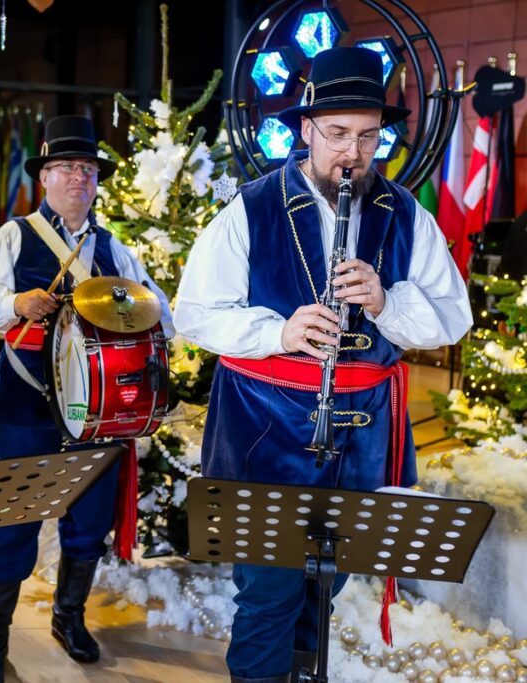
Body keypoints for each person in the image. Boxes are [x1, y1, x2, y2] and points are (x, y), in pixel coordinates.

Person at [174, 47, 472, 683]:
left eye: (368, 137)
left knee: (324, 589)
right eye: (337, 135)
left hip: (359, 431)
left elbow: (452, 318)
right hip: (264, 430)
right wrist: (279, 331)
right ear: (306, 129)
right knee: (268, 594)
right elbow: (195, 313)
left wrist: (387, 302)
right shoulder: (250, 208)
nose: (352, 154)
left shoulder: (404, 214)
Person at [0, 115, 172, 682]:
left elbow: (162, 319)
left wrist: (136, 306)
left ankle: (67, 615)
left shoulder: (115, 250)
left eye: (87, 169)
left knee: (89, 520)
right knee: (14, 521)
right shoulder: (15, 236)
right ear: (45, 177)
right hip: (29, 402)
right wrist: (14, 304)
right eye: (65, 168)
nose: (77, 177)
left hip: (99, 414)